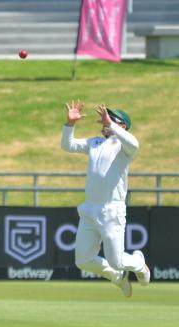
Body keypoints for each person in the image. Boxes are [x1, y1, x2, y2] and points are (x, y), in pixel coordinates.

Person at [62, 100, 150, 297]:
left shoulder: (125, 147)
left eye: (110, 119)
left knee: (116, 260)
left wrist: (111, 125)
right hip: (89, 210)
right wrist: (70, 124)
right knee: (83, 260)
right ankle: (117, 277)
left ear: (122, 126)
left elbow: (134, 143)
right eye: (105, 119)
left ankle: (138, 263)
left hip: (112, 210)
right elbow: (67, 145)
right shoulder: (95, 143)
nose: (104, 121)